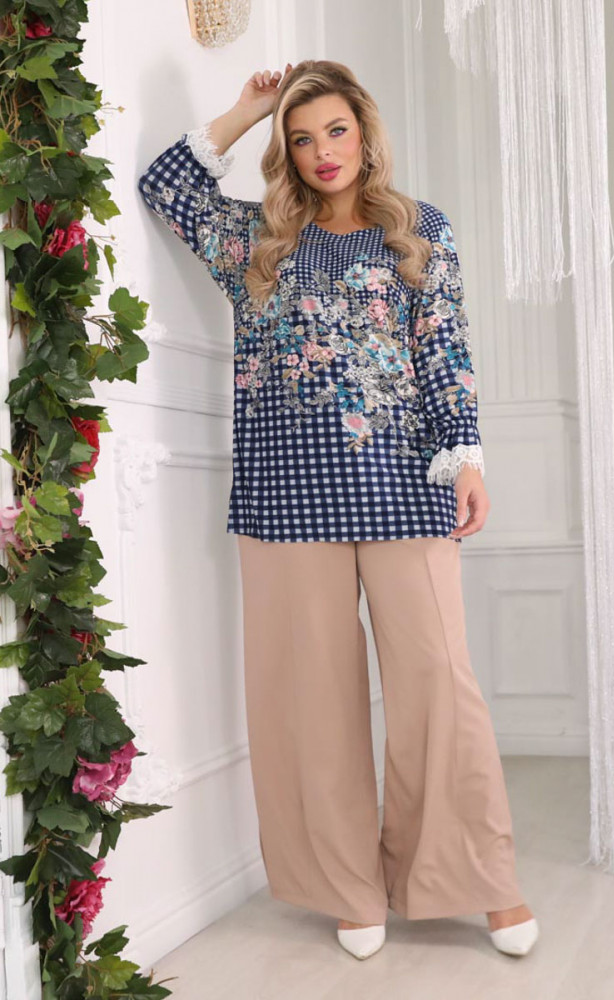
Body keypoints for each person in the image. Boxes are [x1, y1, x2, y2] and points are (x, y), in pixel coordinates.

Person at [137, 59, 539, 961]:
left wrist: (467, 458)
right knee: (309, 699)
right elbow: (165, 184)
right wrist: (248, 109)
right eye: (302, 137)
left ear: (365, 132)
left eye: (336, 131)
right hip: (285, 496)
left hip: (407, 486)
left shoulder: (419, 230)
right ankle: (347, 886)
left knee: (439, 685)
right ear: (287, 151)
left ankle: (480, 879)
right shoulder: (255, 241)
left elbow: (445, 349)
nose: (322, 151)